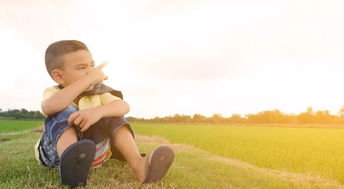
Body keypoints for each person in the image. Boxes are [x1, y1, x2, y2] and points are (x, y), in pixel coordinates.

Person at [34, 40, 174, 187]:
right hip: (55, 156)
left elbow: (124, 106)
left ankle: (140, 166)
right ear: (59, 77)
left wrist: (97, 112)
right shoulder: (54, 93)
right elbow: (49, 107)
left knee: (113, 113)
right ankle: (72, 163)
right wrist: (88, 79)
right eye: (82, 68)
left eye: (92, 66)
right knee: (62, 111)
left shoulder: (98, 93)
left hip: (93, 154)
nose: (91, 72)